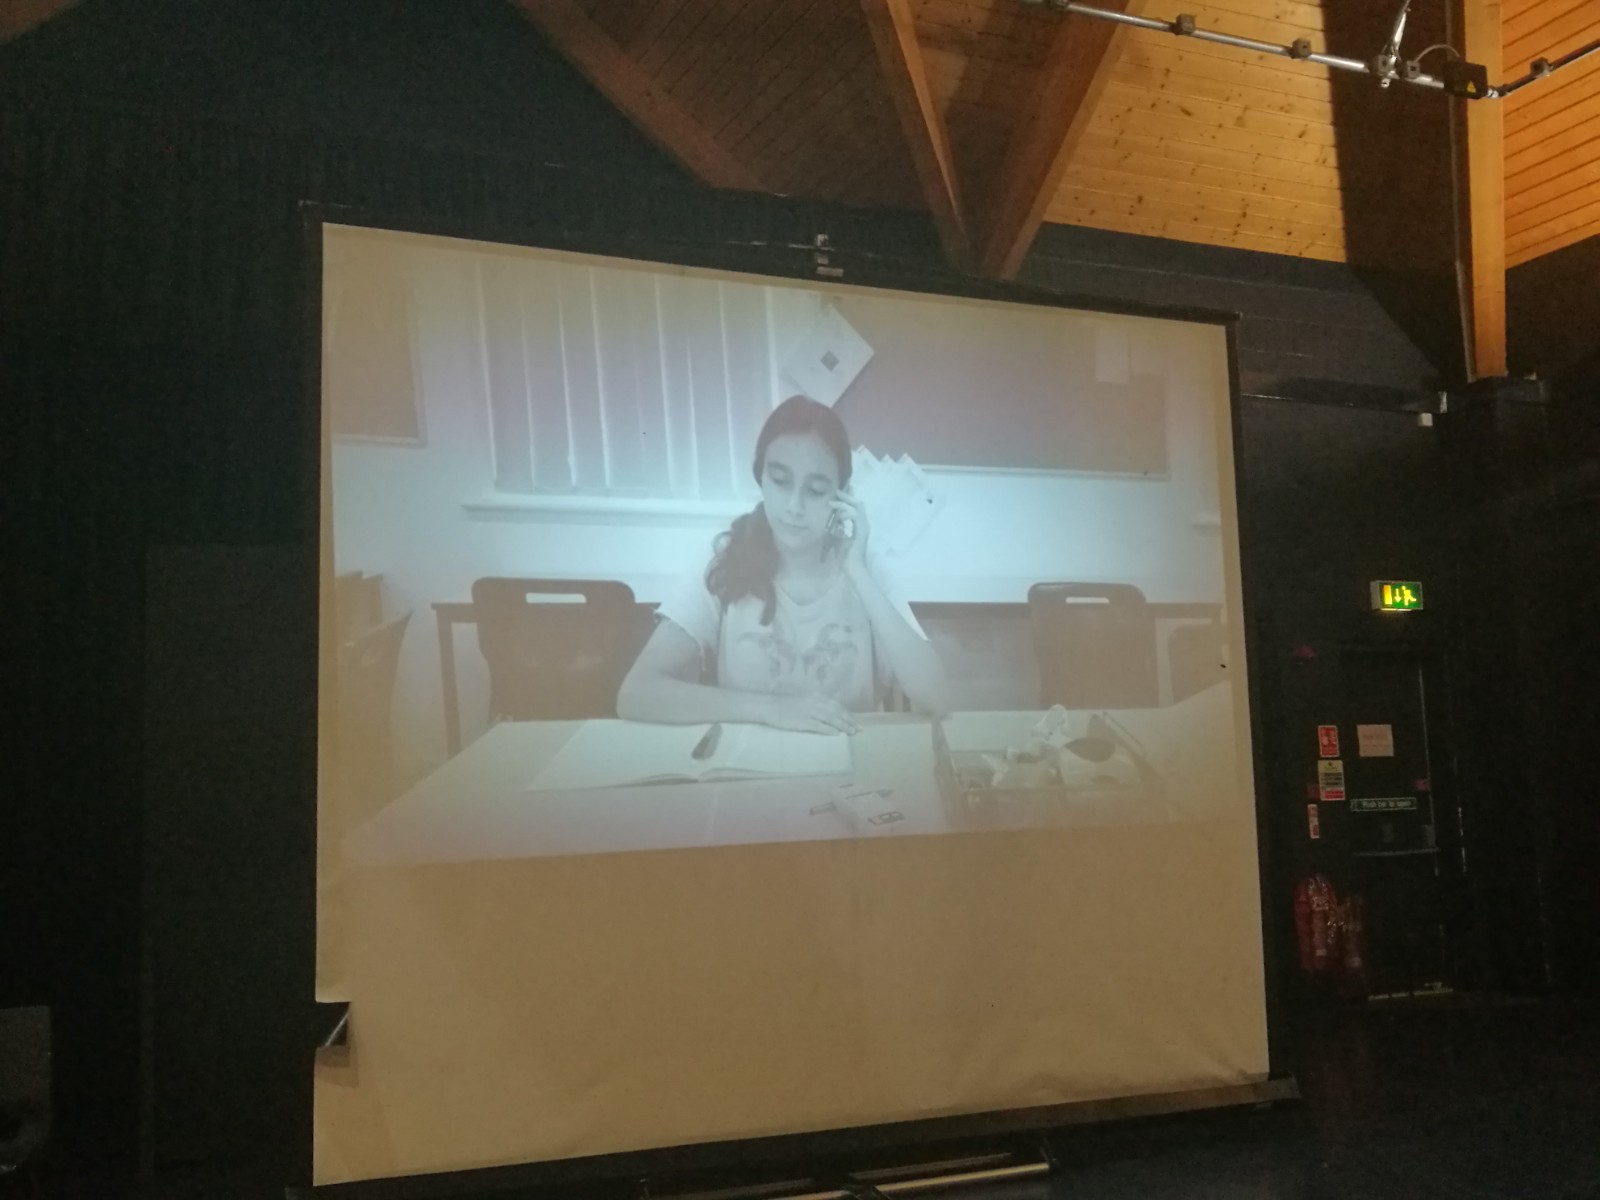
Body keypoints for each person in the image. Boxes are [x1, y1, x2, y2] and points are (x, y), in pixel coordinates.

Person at [617, 396, 947, 735]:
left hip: (848, 756)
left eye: (816, 490)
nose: (794, 506)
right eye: (780, 481)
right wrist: (770, 709)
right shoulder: (726, 556)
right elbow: (637, 693)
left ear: (842, 494)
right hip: (750, 761)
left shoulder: (865, 564)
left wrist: (859, 574)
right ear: (761, 477)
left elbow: (936, 698)